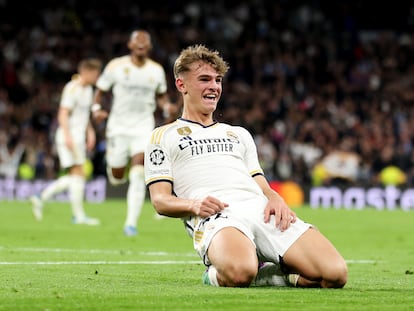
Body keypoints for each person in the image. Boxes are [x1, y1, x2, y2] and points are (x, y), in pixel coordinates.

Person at [144, 44, 348, 288]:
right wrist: (194, 205)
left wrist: (274, 197)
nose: (214, 87)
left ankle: (275, 275)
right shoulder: (163, 136)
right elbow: (160, 201)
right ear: (181, 85)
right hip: (219, 216)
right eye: (204, 79)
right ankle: (218, 275)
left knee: (334, 275)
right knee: (240, 273)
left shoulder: (238, 134)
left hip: (261, 210)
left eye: (218, 80)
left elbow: (259, 181)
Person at [92, 29, 177, 236]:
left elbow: (161, 96)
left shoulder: (155, 71)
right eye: (137, 40)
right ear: (129, 45)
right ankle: (115, 169)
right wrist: (96, 110)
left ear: (149, 46)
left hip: (143, 126)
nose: (141, 43)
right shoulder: (116, 66)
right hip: (118, 127)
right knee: (117, 174)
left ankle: (130, 223)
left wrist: (167, 107)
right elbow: (100, 92)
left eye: (145, 41)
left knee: (139, 171)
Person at [30, 58, 102, 225]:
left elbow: (83, 115)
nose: (97, 77)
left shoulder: (89, 90)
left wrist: (90, 133)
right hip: (69, 136)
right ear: (86, 72)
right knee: (79, 174)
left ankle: (41, 197)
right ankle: (77, 215)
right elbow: (63, 114)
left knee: (76, 176)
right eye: (95, 73)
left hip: (78, 135)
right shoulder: (72, 88)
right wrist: (68, 136)